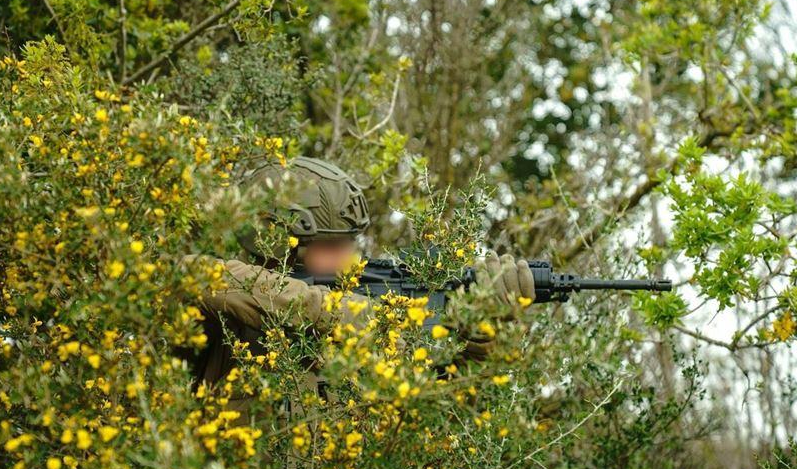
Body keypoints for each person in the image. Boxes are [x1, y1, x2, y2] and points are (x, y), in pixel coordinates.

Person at [181, 155, 535, 415]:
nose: (350, 261)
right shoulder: (225, 317)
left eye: (350, 244)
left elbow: (448, 410)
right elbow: (191, 273)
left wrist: (482, 338)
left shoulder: (366, 328)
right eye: (331, 247)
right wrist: (344, 315)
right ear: (278, 244)